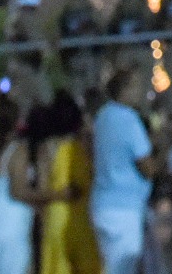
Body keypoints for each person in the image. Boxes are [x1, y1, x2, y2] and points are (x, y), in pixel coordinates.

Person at [0, 96, 75, 274]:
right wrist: (59, 194)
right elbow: (18, 191)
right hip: (10, 221)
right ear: (16, 121)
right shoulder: (17, 150)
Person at [90, 66, 158, 274]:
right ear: (125, 89)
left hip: (102, 204)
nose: (141, 92)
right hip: (124, 208)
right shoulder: (129, 119)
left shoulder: (102, 116)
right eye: (137, 86)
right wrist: (166, 146)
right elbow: (147, 167)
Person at [38, 92, 99, 274]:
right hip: (84, 216)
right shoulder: (86, 146)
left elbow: (42, 189)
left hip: (57, 216)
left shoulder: (48, 148)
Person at [59, 0, 104, 95]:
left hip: (73, 56)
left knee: (76, 89)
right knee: (91, 89)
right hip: (87, 55)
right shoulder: (91, 10)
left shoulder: (66, 10)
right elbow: (101, 28)